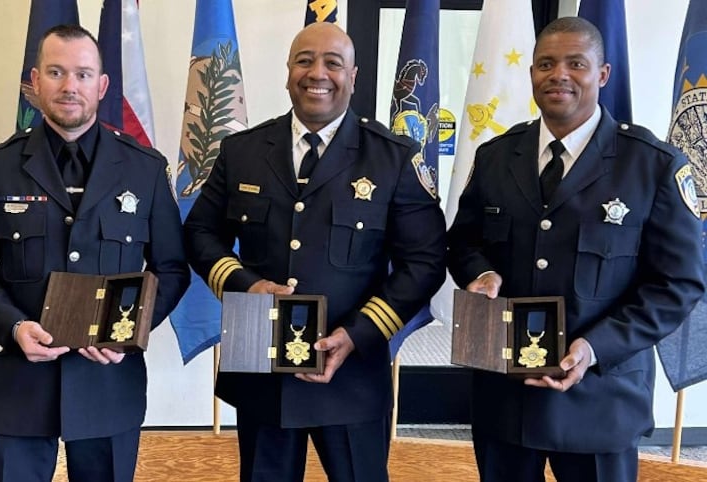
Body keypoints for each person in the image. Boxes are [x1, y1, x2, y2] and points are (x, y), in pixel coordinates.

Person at [184, 22, 446, 482]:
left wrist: (359, 334)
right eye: (304, 60)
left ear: (353, 75)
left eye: (333, 62)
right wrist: (246, 285)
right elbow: (200, 233)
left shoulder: (393, 158)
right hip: (263, 371)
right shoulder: (242, 151)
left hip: (352, 373)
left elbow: (424, 262)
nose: (317, 73)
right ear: (288, 72)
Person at [447, 16, 705, 482]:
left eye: (576, 64)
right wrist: (480, 274)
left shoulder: (651, 166)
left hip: (601, 399)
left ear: (602, 75)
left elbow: (678, 284)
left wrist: (595, 347)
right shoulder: (496, 157)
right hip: (508, 399)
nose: (558, 75)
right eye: (545, 64)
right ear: (531, 74)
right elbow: (463, 242)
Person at [0, 25, 190, 482]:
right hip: (16, 381)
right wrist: (13, 326)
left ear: (101, 85)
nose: (69, 86)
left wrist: (128, 329)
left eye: (82, 74)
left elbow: (172, 270)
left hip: (108, 383)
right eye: (56, 72)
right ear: (35, 82)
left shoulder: (145, 170)